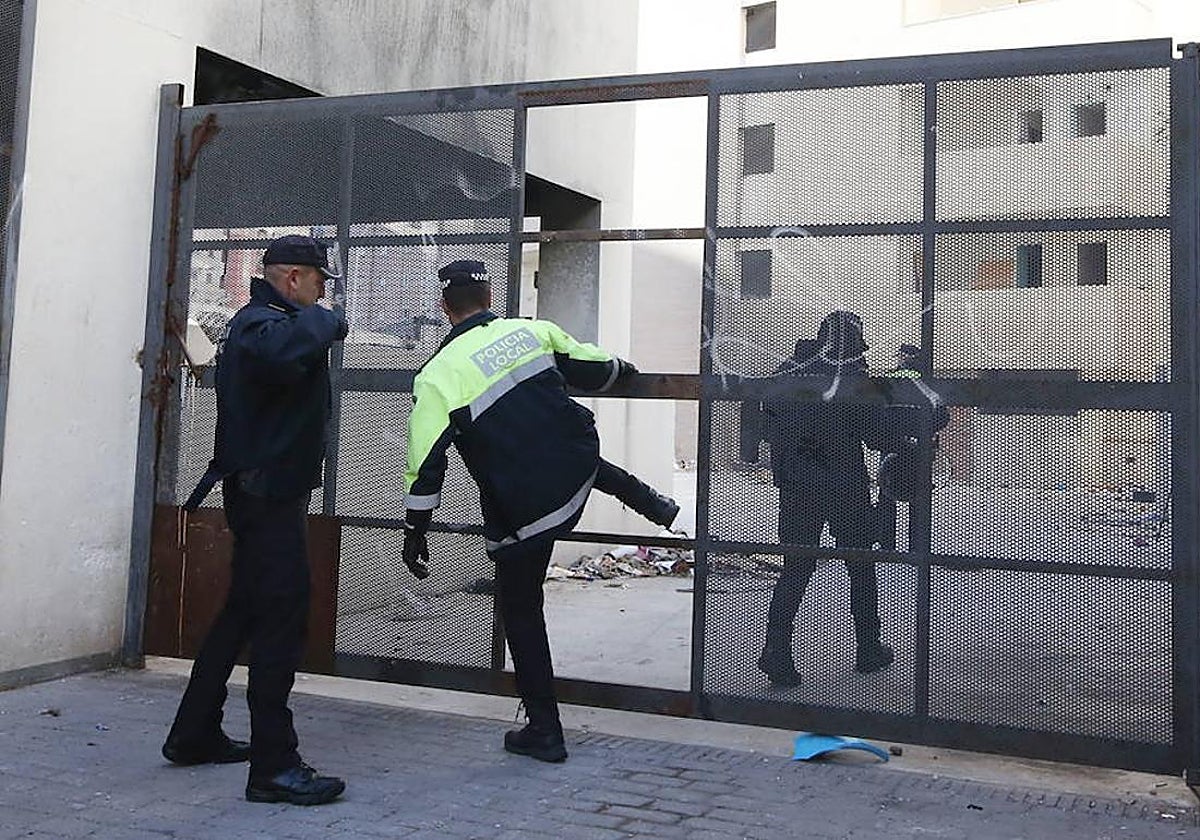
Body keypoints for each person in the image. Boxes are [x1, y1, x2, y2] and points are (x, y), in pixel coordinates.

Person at [400, 260, 679, 762]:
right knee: (576, 457)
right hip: (573, 467)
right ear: (490, 297)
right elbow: (597, 367)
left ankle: (544, 729)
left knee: (522, 610)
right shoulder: (531, 332)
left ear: (445, 308)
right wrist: (625, 369)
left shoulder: (438, 374)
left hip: (522, 505)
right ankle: (655, 504)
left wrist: (415, 529)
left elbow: (425, 462)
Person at [163, 235, 347, 806]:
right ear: (293, 279)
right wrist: (329, 320)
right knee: (280, 623)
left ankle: (194, 732)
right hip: (267, 500)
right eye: (319, 282)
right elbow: (283, 348)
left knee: (242, 611)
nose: (323, 294)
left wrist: (320, 320)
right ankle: (275, 765)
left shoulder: (269, 322)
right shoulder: (258, 324)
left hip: (268, 494)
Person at [757, 311, 894, 687]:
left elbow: (763, 419)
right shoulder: (850, 375)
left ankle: (776, 652)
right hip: (843, 483)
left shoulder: (790, 370)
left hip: (798, 484)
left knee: (796, 568)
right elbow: (878, 435)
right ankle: (868, 649)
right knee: (860, 564)